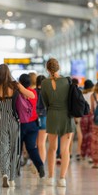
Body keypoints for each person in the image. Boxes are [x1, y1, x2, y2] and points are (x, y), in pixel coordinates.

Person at [0, 64, 35, 188]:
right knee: (14, 146)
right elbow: (32, 95)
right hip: (14, 117)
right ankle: (12, 178)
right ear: (8, 73)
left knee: (2, 145)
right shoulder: (15, 85)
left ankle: (4, 173)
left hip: (1, 117)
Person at [40, 58, 75, 188]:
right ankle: (62, 179)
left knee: (52, 148)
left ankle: (50, 177)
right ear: (58, 67)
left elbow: (45, 102)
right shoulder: (66, 81)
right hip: (66, 116)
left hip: (52, 115)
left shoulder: (44, 83)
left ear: (47, 69)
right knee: (65, 150)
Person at [18, 73, 45, 178]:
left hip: (21, 124)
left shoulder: (18, 93)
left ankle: (17, 170)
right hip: (33, 124)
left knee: (18, 148)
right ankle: (40, 165)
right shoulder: (33, 92)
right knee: (32, 148)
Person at [80, 79, 95, 163]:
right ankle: (90, 155)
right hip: (92, 116)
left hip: (84, 116)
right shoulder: (93, 95)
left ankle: (83, 154)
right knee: (91, 136)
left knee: (84, 136)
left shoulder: (82, 94)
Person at [35, 75, 47, 163]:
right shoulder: (48, 92)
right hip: (45, 118)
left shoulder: (33, 92)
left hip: (34, 118)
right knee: (42, 144)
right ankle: (41, 165)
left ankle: (36, 164)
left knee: (35, 144)